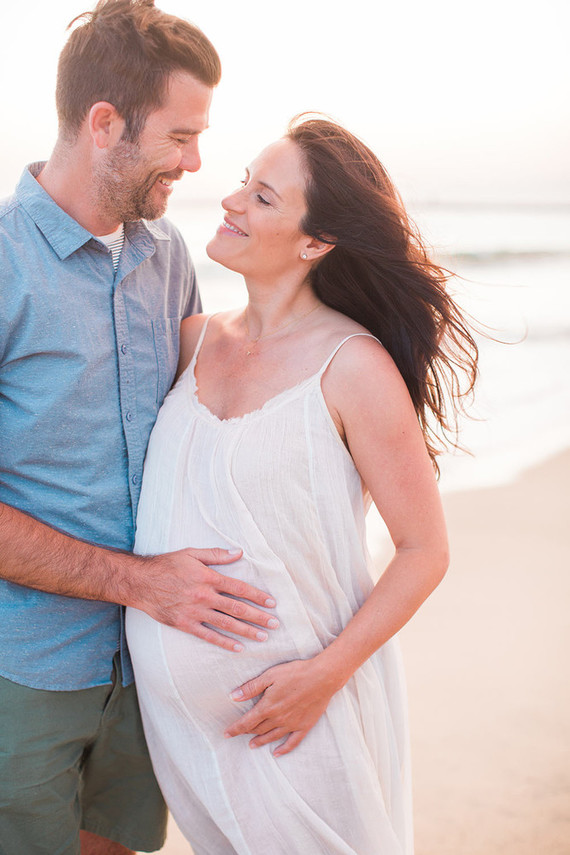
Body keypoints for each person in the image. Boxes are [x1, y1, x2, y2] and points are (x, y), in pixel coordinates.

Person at [126, 115, 479, 854]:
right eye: (243, 182)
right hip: (188, 738)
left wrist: (323, 675)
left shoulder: (353, 366)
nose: (230, 201)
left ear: (316, 241)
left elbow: (424, 550)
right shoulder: (191, 341)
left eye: (262, 197)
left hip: (302, 718)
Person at [0, 2, 280, 853]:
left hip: (149, 666)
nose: (196, 163)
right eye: (180, 137)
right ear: (104, 122)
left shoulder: (165, 255)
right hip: (23, 670)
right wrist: (139, 581)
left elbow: (213, 414)